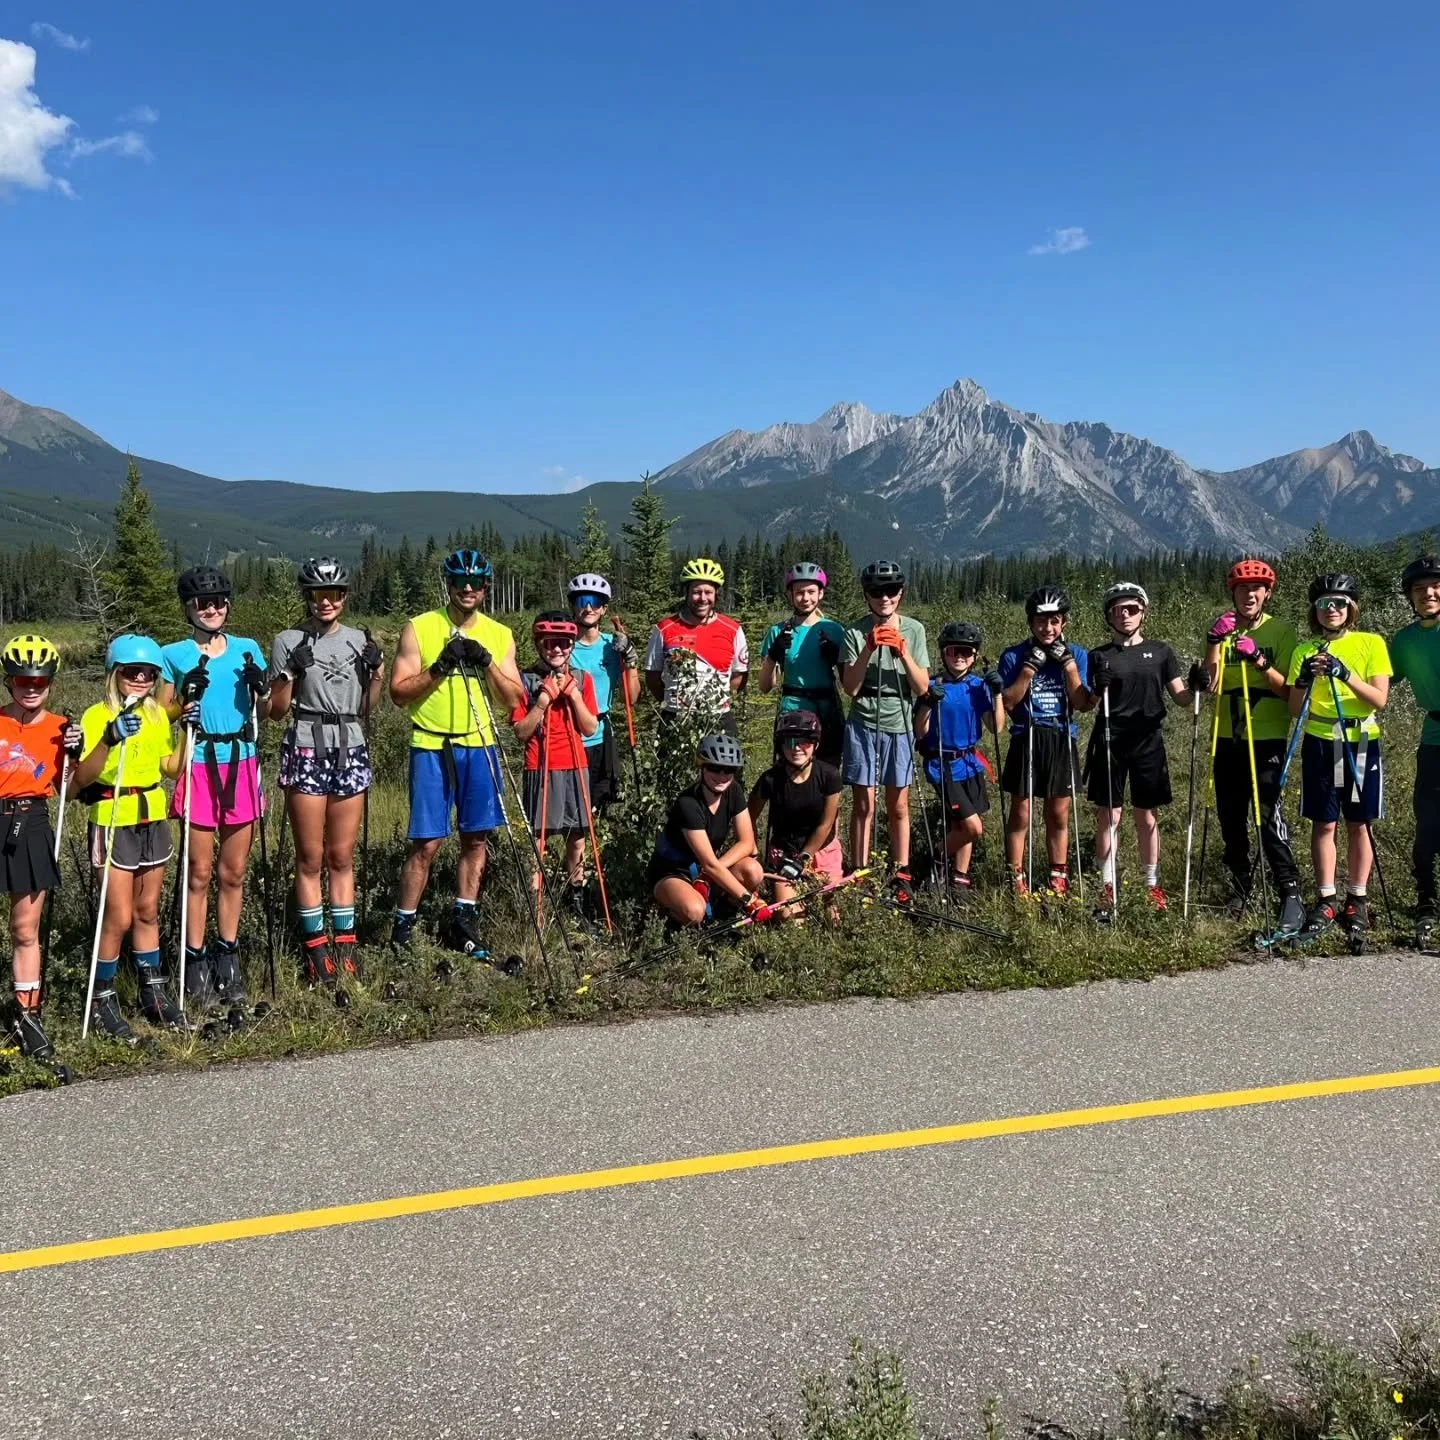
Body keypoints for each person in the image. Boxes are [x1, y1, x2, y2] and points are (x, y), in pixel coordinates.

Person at [388, 548, 525, 958]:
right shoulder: (420, 627)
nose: (467, 589)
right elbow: (398, 693)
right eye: (459, 582)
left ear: (485, 588)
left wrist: (487, 664)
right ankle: (403, 928)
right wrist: (440, 667)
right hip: (431, 742)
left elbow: (514, 698)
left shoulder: (499, 633)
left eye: (476, 583)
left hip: (478, 741)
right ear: (447, 585)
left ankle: (464, 921)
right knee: (426, 843)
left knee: (476, 839)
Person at [158, 566, 270, 1012]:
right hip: (199, 763)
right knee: (199, 872)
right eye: (203, 603)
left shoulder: (248, 650)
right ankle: (195, 959)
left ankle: (229, 955)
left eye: (219, 601)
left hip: (240, 763)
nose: (212, 609)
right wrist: (184, 695)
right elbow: (162, 712)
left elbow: (265, 701)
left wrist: (263, 687)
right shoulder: (174, 654)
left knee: (234, 872)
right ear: (189, 608)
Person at [269, 557, 383, 986]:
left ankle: (346, 949)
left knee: (341, 856)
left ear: (345, 597)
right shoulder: (287, 639)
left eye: (334, 594)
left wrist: (376, 673)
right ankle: (317, 952)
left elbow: (367, 709)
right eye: (318, 594)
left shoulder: (360, 639)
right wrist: (289, 672)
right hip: (306, 744)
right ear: (308, 597)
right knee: (310, 857)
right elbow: (278, 711)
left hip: (350, 745)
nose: (326, 602)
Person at [73, 634, 185, 1042]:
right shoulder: (94, 715)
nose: (140, 678)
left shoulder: (157, 715)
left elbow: (171, 768)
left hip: (152, 814)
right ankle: (102, 998)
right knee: (117, 916)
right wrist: (109, 737)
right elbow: (79, 778)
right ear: (114, 673)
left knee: (148, 911)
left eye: (148, 673)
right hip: (112, 815)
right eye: (131, 671)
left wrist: (187, 727)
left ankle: (151, 990)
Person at [1086, 582, 1206, 914]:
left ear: (1144, 612)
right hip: (1111, 737)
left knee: (1146, 814)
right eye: (1118, 610)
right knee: (1109, 814)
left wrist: (1198, 685)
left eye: (1132, 609)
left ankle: (1151, 885)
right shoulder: (1099, 656)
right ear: (1109, 616)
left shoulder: (1162, 652)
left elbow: (1182, 698)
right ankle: (1106, 887)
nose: (1125, 615)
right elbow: (1089, 702)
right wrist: (1098, 688)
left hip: (1148, 739)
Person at [1201, 558, 1305, 939]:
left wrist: (1260, 662)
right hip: (1228, 734)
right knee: (1231, 816)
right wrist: (1214, 642)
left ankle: (1289, 890)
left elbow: (1290, 690)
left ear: (1267, 593)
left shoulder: (1281, 632)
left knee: (1268, 813)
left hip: (1267, 735)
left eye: (1256, 588)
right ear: (1233, 592)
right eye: (1243, 588)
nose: (1249, 594)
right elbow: (1210, 684)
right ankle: (1241, 883)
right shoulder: (1223, 629)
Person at [1285, 573, 1391, 945]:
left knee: (1359, 823)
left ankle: (1357, 898)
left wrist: (1344, 674)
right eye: (1324, 604)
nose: (1332, 610)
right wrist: (1301, 680)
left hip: (1360, 737)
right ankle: (1327, 897)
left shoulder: (1370, 643)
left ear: (1351, 608)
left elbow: (1379, 700)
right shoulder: (1305, 650)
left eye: (1340, 603)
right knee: (1324, 822)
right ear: (1314, 611)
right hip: (1319, 738)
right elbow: (1296, 711)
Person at [0, 635, 82, 1063]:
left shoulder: (62, 728)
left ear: (49, 682)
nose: (30, 687)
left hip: (31, 822)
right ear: (9, 682)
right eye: (20, 680)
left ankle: (26, 1016)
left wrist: (76, 754)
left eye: (39, 681)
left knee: (25, 928)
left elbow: (71, 785)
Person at [840, 560, 930, 898]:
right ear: (867, 595)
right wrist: (869, 647)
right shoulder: (854, 632)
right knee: (865, 802)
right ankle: (860, 869)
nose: (884, 597)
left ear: (900, 594)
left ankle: (901, 870)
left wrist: (902, 651)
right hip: (864, 718)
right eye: (877, 592)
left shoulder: (915, 630)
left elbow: (922, 687)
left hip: (900, 719)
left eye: (891, 591)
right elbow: (849, 687)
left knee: (898, 804)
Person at [998, 586, 1092, 896]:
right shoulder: (1013, 655)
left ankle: (1057, 876)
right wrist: (1027, 671)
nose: (1047, 629)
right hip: (1027, 734)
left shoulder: (1076, 653)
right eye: (1041, 622)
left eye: (1054, 621)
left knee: (1058, 812)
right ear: (1030, 623)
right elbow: (1008, 703)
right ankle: (1016, 878)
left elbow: (1081, 703)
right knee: (1021, 810)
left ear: (1064, 622)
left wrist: (1069, 667)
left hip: (1061, 735)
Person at [510, 612, 599, 928]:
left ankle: (576, 901)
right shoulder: (525, 680)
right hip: (540, 765)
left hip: (576, 764)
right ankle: (536, 909)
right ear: (539, 645)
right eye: (550, 643)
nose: (557, 649)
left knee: (577, 837)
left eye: (563, 643)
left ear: (572, 644)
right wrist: (544, 700)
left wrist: (573, 694)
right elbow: (521, 731)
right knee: (539, 839)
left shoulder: (583, 679)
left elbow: (589, 728)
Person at [913, 621, 1004, 893]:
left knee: (963, 823)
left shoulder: (978, 686)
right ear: (944, 653)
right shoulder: (931, 685)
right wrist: (929, 702)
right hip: (942, 764)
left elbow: (996, 727)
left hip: (970, 762)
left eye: (967, 652)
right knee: (972, 827)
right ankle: (939, 857)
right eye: (954, 651)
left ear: (975, 656)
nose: (960, 657)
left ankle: (959, 880)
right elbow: (920, 731)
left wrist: (997, 693)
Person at [648, 733, 765, 927]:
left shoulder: (733, 791)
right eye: (714, 768)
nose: (721, 776)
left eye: (728, 770)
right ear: (701, 767)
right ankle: (668, 917)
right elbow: (709, 864)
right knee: (694, 911)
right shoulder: (688, 804)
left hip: (706, 869)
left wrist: (709, 874)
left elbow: (747, 843)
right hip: (673, 872)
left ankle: (724, 912)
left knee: (753, 870)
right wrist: (750, 901)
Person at [747, 708, 844, 917]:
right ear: (781, 746)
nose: (797, 748)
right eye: (790, 742)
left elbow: (826, 823)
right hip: (784, 857)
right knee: (790, 917)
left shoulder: (830, 775)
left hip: (822, 854)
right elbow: (748, 818)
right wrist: (752, 851)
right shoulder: (770, 779)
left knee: (832, 917)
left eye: (805, 741)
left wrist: (804, 858)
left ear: (815, 744)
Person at [1390, 554, 1440, 950]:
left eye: (1435, 586)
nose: (1429, 593)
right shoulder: (1404, 641)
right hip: (1434, 736)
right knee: (1426, 822)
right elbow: (1380, 684)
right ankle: (1426, 896)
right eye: (1420, 588)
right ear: (1410, 596)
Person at [644, 558, 749, 736]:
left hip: (718, 717)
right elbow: (653, 676)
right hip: (675, 717)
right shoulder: (664, 628)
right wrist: (672, 703)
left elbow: (739, 676)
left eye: (708, 592)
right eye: (696, 592)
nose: (702, 598)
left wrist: (720, 700)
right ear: (686, 593)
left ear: (716, 594)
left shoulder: (732, 629)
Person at [758, 561, 847, 766]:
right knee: (790, 772)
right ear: (790, 595)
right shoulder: (777, 632)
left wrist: (836, 659)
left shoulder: (834, 630)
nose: (805, 598)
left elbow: (848, 684)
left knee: (828, 772)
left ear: (820, 593)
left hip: (827, 709)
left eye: (811, 591)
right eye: (799, 592)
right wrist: (772, 656)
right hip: (792, 710)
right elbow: (764, 686)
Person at [566, 572, 640, 811]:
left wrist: (630, 659)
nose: (588, 608)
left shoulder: (613, 645)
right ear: (573, 606)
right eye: (581, 601)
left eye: (595, 602)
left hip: (602, 735)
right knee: (574, 806)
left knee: (600, 803)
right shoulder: (562, 647)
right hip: (571, 734)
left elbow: (631, 697)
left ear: (604, 609)